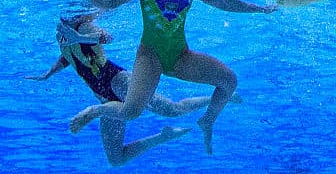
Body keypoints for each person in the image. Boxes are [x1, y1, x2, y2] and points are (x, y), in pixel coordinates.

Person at [70, 0, 276, 156]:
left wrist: (258, 8)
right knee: (130, 112)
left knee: (229, 81)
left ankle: (207, 121)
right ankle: (94, 111)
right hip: (149, 56)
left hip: (180, 56)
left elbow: (223, 2)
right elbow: (113, 0)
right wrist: (91, 0)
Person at [26, 15, 233, 166]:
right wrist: (49, 73)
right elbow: (69, 56)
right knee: (116, 159)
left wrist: (78, 36)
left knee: (173, 109)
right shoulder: (61, 33)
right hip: (104, 99)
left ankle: (218, 97)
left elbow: (106, 37)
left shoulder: (84, 25)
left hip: (118, 81)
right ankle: (163, 136)